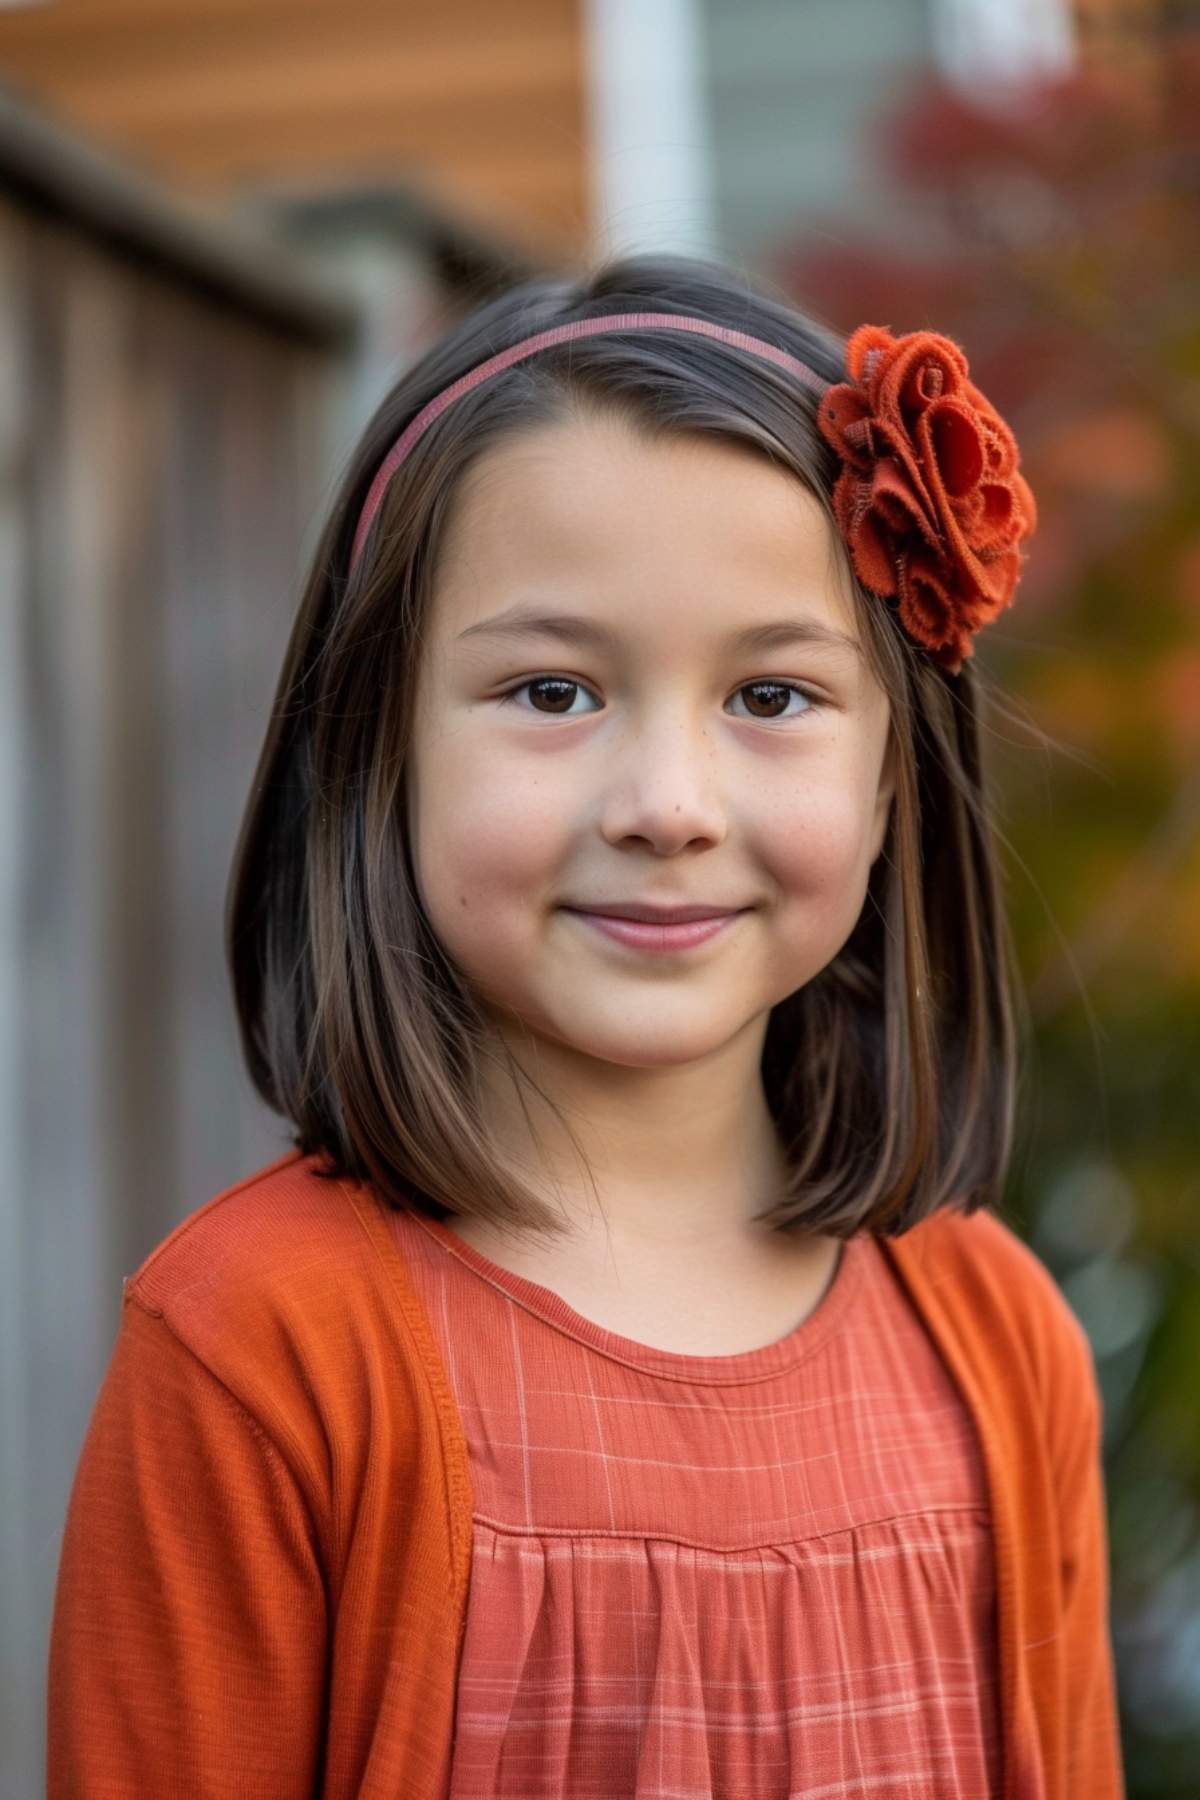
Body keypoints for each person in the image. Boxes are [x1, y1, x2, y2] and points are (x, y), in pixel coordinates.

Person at [46, 254, 1124, 1798]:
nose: (666, 806)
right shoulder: (258, 1351)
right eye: (552, 692)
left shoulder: (1002, 1342)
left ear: (893, 771)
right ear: (379, 747)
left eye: (770, 697)